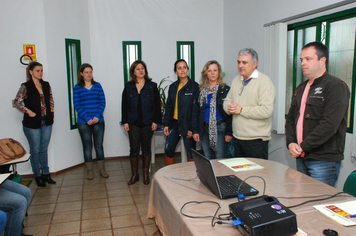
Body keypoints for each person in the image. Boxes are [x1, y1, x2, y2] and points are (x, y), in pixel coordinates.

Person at [285, 41, 350, 187]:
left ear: (322, 60)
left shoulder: (335, 86)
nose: (303, 63)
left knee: (319, 202)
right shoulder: (301, 88)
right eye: (301, 59)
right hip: (301, 156)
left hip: (323, 160)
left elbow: (329, 125)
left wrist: (303, 146)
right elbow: (291, 119)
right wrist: (291, 143)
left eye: (308, 59)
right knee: (302, 198)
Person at [223, 48, 276, 160]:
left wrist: (242, 110)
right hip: (237, 138)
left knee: (256, 176)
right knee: (240, 175)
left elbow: (266, 110)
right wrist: (229, 107)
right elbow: (227, 100)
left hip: (256, 140)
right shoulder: (236, 80)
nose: (241, 65)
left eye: (244, 62)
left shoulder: (264, 82)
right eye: (238, 62)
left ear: (254, 64)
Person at [14, 61, 56, 187]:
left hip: (46, 121)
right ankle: (37, 175)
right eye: (38, 70)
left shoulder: (46, 85)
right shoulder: (25, 86)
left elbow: (51, 100)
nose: (40, 73)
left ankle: (46, 173)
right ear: (30, 71)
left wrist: (51, 114)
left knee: (43, 149)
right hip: (32, 123)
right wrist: (27, 111)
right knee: (35, 149)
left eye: (42, 70)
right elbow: (17, 102)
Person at [121, 60, 162, 185]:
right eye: (138, 68)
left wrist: (156, 121)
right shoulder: (128, 86)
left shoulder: (152, 86)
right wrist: (125, 121)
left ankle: (145, 174)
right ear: (133, 71)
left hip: (147, 122)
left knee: (146, 148)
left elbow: (157, 105)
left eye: (142, 68)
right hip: (133, 122)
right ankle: (135, 175)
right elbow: (124, 105)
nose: (141, 70)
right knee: (134, 149)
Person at [73, 63, 108, 180]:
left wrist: (97, 116)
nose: (89, 74)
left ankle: (102, 170)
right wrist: (87, 118)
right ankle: (89, 171)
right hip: (84, 122)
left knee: (99, 146)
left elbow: (102, 102)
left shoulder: (97, 86)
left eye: (90, 72)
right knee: (87, 147)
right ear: (81, 73)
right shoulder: (77, 87)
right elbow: (77, 105)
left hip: (98, 121)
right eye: (86, 72)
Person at [192, 60, 232, 159]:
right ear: (206, 73)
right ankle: (211, 175)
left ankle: (220, 175)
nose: (212, 73)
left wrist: (229, 132)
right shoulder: (200, 90)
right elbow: (196, 111)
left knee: (219, 158)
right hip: (204, 129)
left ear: (219, 73)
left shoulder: (225, 90)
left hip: (220, 128)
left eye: (215, 70)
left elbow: (230, 113)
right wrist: (195, 130)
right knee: (208, 158)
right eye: (209, 71)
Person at [163, 59, 199, 165]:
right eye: (179, 68)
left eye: (184, 67)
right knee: (168, 150)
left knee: (190, 152)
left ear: (188, 69)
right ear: (176, 71)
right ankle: (169, 177)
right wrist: (166, 124)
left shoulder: (194, 86)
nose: (182, 70)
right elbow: (169, 106)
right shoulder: (173, 87)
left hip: (188, 125)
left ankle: (192, 177)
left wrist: (192, 128)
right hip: (174, 123)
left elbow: (195, 110)